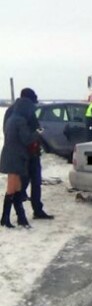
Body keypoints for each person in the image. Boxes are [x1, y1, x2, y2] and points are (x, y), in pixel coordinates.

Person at [3, 88, 54, 220]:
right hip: (21, 154)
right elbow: (10, 133)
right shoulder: (13, 112)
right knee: (21, 184)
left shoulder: (28, 110)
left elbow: (35, 127)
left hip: (33, 152)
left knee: (36, 182)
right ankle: (19, 214)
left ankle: (37, 210)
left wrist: (37, 141)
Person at [1, 96, 41, 228]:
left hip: (10, 155)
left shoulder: (11, 119)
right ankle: (5, 218)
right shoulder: (20, 121)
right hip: (16, 157)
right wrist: (38, 133)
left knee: (17, 188)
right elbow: (27, 139)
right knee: (12, 188)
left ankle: (21, 218)